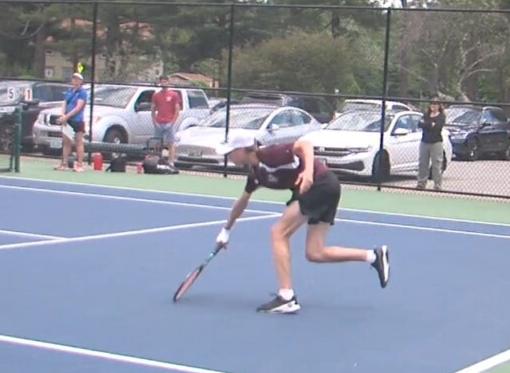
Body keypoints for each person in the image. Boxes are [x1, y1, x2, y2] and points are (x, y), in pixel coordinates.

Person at [213, 131, 390, 314]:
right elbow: (242, 202)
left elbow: (305, 144)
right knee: (315, 252)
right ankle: (373, 256)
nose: (228, 156)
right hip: (323, 187)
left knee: (278, 233)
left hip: (319, 184)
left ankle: (286, 297)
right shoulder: (257, 174)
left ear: (243, 149)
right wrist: (226, 230)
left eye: (231, 151)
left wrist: (307, 173)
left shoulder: (271, 154)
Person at [56, 72, 88, 172]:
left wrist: (67, 116)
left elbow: (78, 107)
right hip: (68, 120)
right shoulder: (69, 91)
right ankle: (64, 163)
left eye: (76, 79)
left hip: (77, 120)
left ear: (80, 81)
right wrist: (63, 115)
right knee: (66, 142)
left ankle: (79, 165)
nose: (74, 80)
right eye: (73, 78)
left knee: (78, 142)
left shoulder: (82, 92)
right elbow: (64, 103)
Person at [151, 75, 182, 167]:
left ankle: (170, 162)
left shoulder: (174, 95)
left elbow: (177, 110)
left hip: (169, 123)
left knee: (170, 143)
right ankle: (157, 160)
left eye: (165, 81)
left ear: (168, 82)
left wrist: (172, 123)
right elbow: (152, 109)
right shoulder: (156, 95)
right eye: (162, 81)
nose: (163, 83)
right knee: (157, 144)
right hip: (159, 122)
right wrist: (154, 122)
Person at [417, 100, 445, 190]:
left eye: (435, 104)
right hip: (424, 142)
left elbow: (437, 127)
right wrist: (430, 124)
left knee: (436, 164)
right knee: (422, 163)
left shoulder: (441, 116)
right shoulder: (426, 115)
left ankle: (437, 185)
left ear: (438, 106)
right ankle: (421, 183)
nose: (433, 106)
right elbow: (419, 124)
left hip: (436, 142)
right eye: (431, 104)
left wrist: (427, 124)